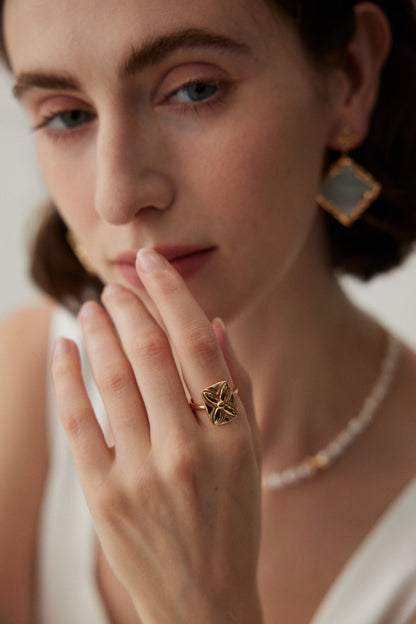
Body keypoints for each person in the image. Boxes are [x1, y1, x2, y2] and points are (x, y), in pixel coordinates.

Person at [1, 0, 416, 622]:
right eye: (67, 115)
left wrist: (201, 603)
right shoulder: (18, 383)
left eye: (194, 89)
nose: (116, 196)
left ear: (349, 76)